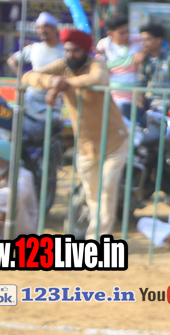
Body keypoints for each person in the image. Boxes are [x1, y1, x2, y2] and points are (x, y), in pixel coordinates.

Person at [23, 29, 129, 237]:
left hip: (113, 141)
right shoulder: (63, 65)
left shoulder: (96, 64)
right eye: (67, 50)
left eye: (75, 51)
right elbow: (29, 76)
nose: (70, 55)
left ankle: (96, 239)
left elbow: (98, 78)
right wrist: (52, 82)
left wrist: (61, 85)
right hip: (86, 144)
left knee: (106, 191)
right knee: (92, 195)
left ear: (85, 51)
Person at [132, 22, 170, 116]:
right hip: (150, 103)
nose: (143, 43)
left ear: (158, 40)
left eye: (147, 39)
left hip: (169, 104)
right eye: (142, 40)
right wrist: (139, 100)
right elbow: (140, 84)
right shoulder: (144, 59)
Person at [96, 13, 140, 110]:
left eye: (127, 31)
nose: (126, 35)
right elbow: (100, 69)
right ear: (110, 34)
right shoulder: (103, 45)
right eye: (122, 33)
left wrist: (144, 53)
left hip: (135, 99)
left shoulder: (138, 41)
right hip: (111, 98)